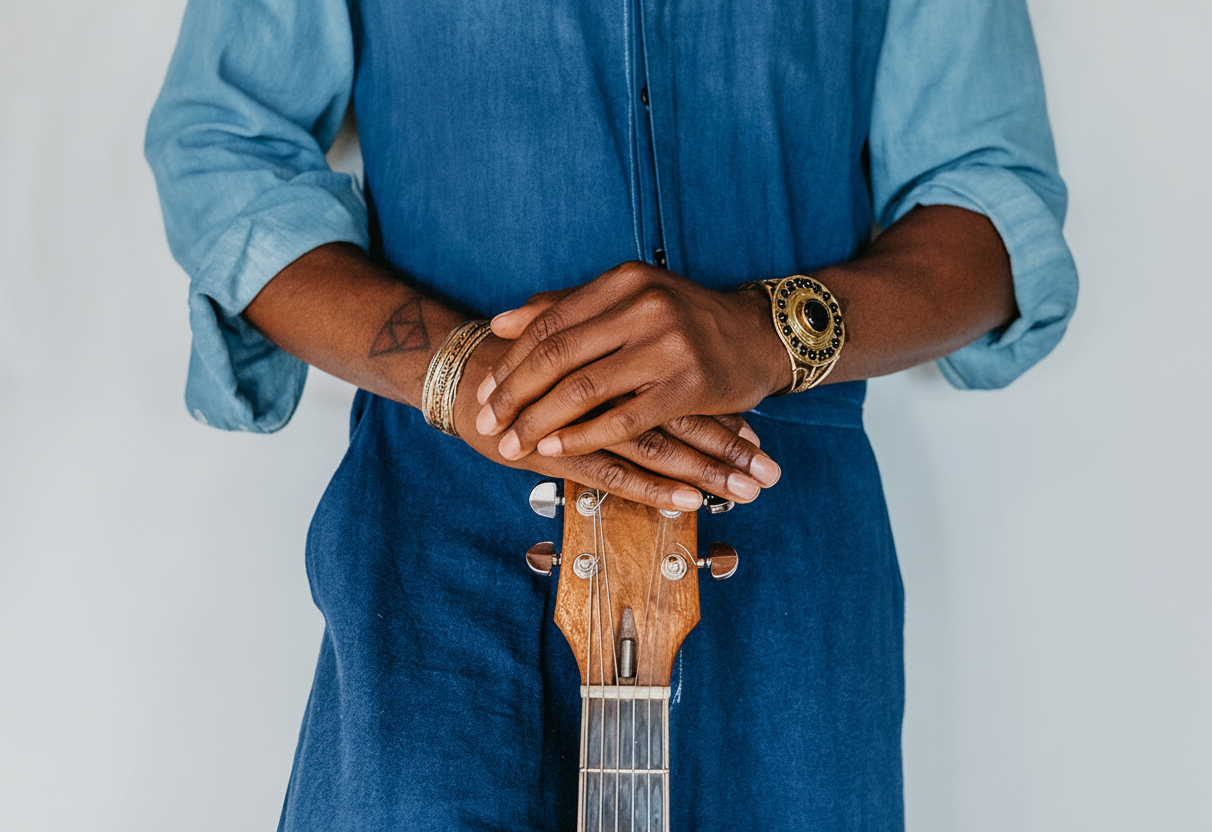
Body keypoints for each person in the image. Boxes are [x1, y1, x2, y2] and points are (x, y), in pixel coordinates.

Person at [146, 0, 1077, 829]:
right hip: (439, 538)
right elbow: (223, 146)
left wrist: (766, 332)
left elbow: (993, 202)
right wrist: (463, 371)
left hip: (782, 549)